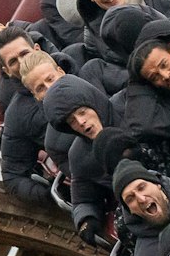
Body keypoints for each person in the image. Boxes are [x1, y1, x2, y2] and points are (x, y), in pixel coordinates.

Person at [40, 71, 120, 245]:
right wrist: (86, 219)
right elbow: (83, 198)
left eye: (83, 112)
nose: (81, 122)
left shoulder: (130, 106)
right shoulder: (78, 155)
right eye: (72, 121)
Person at [0, 49, 74, 208]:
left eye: (25, 54)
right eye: (40, 88)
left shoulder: (87, 65)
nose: (22, 62)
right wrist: (50, 196)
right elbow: (12, 175)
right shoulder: (53, 142)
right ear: (35, 94)